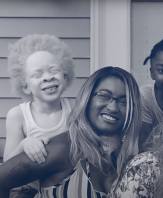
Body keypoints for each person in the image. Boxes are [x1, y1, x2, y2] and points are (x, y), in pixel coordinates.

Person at [0, 66, 142, 198]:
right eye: (104, 96)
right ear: (87, 98)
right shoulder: (63, 149)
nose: (113, 107)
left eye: (124, 102)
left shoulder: (132, 162)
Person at [3, 34, 75, 198]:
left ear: (64, 77)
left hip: (65, 188)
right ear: (25, 86)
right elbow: (7, 167)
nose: (48, 77)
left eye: (54, 71)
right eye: (38, 74)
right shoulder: (18, 115)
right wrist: (23, 145)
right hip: (27, 190)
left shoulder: (74, 110)